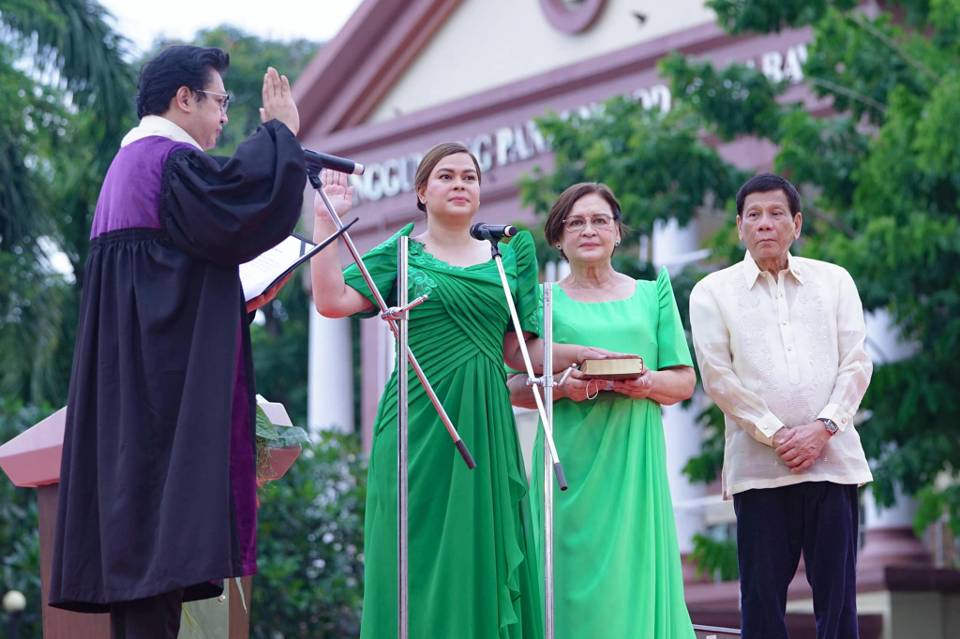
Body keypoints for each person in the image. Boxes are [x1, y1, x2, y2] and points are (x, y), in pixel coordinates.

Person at [310, 143, 620, 638]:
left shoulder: (507, 253)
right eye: (447, 176)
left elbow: (521, 351)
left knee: (481, 553)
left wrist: (581, 353)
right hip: (417, 425)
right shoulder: (403, 253)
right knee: (413, 557)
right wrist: (327, 221)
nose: (460, 185)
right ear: (421, 191)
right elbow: (331, 300)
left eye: (469, 177)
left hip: (485, 425)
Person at [49, 45, 306, 638]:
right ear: (183, 98)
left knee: (146, 563)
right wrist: (280, 135)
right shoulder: (165, 162)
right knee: (153, 554)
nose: (223, 116)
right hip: (159, 398)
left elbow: (193, 260)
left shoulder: (132, 167)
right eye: (219, 101)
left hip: (132, 394)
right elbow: (239, 206)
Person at [507, 182, 698, 639]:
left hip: (634, 469)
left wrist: (648, 382)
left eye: (599, 221)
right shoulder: (542, 300)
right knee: (564, 588)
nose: (588, 230)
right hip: (567, 469)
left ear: (617, 233)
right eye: (576, 223)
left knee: (632, 588)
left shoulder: (653, 294)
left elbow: (684, 382)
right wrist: (562, 387)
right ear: (557, 237)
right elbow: (515, 384)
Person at [689, 173, 873, 639]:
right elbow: (717, 376)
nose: (764, 224)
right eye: (753, 215)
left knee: (838, 603)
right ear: (739, 227)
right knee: (762, 602)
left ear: (796, 223)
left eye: (775, 214)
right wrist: (777, 433)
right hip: (759, 469)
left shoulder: (834, 281)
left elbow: (856, 362)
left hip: (834, 463)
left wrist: (823, 427)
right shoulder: (712, 291)